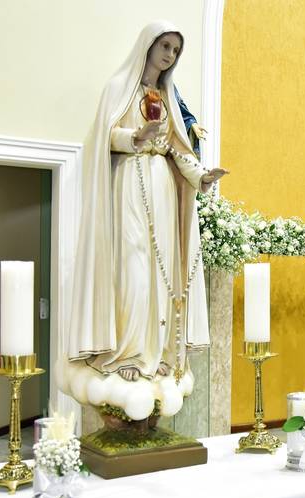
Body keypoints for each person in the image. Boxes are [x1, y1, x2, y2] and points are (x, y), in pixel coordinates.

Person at [67, 21, 227, 387]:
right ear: (149, 45)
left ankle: (159, 352)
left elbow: (175, 148)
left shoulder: (167, 97)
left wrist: (201, 176)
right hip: (129, 181)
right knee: (133, 268)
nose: (170, 55)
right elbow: (104, 136)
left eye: (176, 50)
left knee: (161, 270)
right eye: (165, 46)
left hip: (162, 189)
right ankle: (129, 352)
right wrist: (135, 137)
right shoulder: (118, 89)